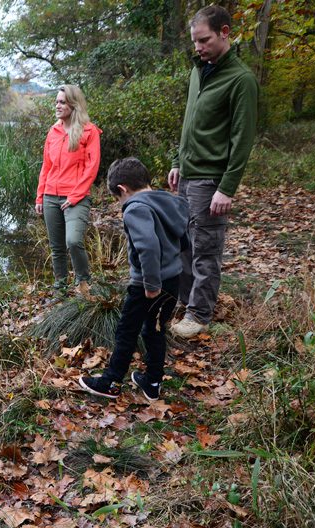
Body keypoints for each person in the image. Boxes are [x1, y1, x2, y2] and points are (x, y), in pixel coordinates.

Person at [168, 4, 258, 338]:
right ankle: (184, 300)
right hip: (188, 174)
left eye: (204, 40)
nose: (198, 48)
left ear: (224, 32)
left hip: (211, 180)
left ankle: (199, 315)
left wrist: (227, 187)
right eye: (194, 42)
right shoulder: (198, 70)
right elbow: (188, 123)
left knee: (206, 247)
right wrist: (178, 162)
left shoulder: (241, 80)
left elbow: (242, 139)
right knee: (184, 243)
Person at [78, 158, 189, 401]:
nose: (120, 204)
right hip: (172, 279)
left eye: (118, 199)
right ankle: (152, 381)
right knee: (155, 329)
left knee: (127, 330)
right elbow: (183, 234)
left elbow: (148, 247)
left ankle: (110, 382)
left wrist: (150, 284)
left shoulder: (136, 208)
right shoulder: (169, 201)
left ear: (122, 189)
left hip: (147, 285)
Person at [34, 84, 102, 296]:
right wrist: (40, 196)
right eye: (56, 101)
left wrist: (75, 196)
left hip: (77, 197)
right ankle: (60, 288)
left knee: (73, 241)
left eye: (62, 102)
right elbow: (46, 166)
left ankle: (83, 283)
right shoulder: (53, 132)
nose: (57, 105)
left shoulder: (89, 131)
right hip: (51, 197)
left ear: (74, 105)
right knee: (56, 248)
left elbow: (92, 167)